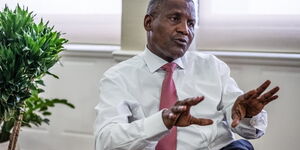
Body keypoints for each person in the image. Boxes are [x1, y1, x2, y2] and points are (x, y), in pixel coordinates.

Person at [94, 0, 280, 149]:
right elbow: (106, 142)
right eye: (175, 18)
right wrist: (162, 122)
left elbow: (246, 129)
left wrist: (247, 116)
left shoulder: (212, 67)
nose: (185, 29)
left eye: (191, 23)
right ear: (148, 22)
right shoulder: (118, 77)